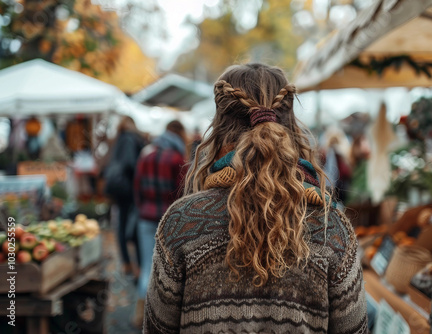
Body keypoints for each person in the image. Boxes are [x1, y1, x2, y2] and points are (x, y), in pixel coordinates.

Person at [144, 63, 368, 333]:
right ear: (291, 126)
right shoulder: (331, 227)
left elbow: (157, 329)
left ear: (217, 129)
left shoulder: (181, 223)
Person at [132, 120, 187, 328]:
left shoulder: (146, 155)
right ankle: (159, 318)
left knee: (147, 264)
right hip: (169, 221)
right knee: (167, 267)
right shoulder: (177, 159)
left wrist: (142, 209)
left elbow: (136, 189)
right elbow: (182, 193)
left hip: (145, 218)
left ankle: (139, 315)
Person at [104, 116, 145, 278]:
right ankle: (136, 265)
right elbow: (130, 163)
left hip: (117, 186)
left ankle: (127, 262)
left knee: (121, 222)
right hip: (128, 187)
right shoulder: (129, 138)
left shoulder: (118, 139)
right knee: (131, 224)